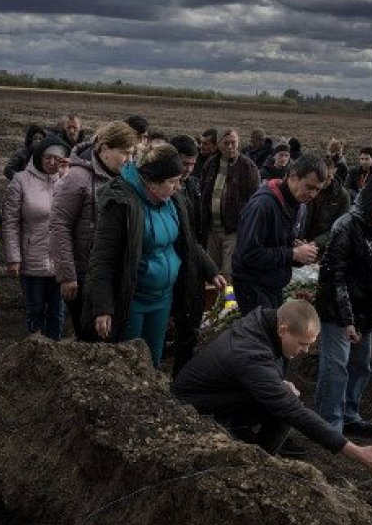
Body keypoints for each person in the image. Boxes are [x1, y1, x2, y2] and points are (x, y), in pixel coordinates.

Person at [171, 300, 372, 474]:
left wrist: (276, 383)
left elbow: (263, 373)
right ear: (283, 330)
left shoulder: (263, 324)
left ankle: (255, 449)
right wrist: (353, 450)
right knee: (287, 406)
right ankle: (259, 464)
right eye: (302, 344)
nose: (306, 351)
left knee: (284, 397)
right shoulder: (250, 353)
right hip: (194, 412)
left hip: (218, 396)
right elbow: (291, 410)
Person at [87, 144, 224, 369]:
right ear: (152, 182)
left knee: (153, 358)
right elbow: (102, 259)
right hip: (132, 300)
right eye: (172, 182)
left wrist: (210, 270)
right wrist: (102, 308)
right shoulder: (121, 203)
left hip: (162, 298)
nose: (178, 187)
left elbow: (187, 242)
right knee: (130, 362)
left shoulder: (174, 202)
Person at [313, 173, 372, 437]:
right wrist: (346, 319)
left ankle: (350, 415)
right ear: (370, 203)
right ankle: (327, 424)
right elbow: (334, 276)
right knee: (336, 366)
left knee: (360, 365)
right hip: (337, 309)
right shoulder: (346, 227)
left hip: (367, 310)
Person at [49, 121, 139, 340]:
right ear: (105, 149)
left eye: (132, 153)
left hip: (109, 273)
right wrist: (67, 275)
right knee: (91, 337)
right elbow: (59, 226)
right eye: (124, 153)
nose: (129, 159)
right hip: (82, 274)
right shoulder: (78, 178)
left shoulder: (123, 179)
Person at [231, 154, 325, 314]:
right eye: (309, 187)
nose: (313, 195)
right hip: (252, 285)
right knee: (263, 336)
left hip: (274, 283)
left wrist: (300, 252)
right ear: (293, 176)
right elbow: (248, 254)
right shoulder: (262, 205)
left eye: (317, 190)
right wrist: (292, 254)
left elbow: (280, 245)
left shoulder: (300, 206)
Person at [2, 137, 70, 340]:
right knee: (35, 308)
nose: (51, 163)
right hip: (32, 258)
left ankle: (54, 351)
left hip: (60, 260)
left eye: (57, 159)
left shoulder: (68, 182)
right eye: (48, 157)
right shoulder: (21, 180)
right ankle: (35, 347)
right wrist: (14, 257)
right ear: (39, 156)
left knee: (57, 311)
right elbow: (11, 222)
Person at [200, 128, 261, 280]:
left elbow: (254, 202)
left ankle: (229, 304)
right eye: (226, 143)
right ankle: (211, 303)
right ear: (219, 144)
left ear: (238, 143)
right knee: (211, 272)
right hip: (212, 229)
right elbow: (203, 193)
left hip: (233, 231)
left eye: (233, 143)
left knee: (229, 274)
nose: (230, 146)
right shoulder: (210, 164)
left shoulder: (248, 167)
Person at [170, 135, 208, 376]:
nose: (187, 170)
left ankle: (180, 379)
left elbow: (196, 232)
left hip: (193, 260)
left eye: (192, 165)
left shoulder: (193, 186)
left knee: (190, 325)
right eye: (184, 163)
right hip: (171, 262)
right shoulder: (165, 190)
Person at [296, 154, 350, 249]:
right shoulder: (305, 188)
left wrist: (316, 243)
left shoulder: (342, 196)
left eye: (328, 177)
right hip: (299, 242)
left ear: (333, 174)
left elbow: (341, 227)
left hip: (324, 246)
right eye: (321, 177)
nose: (324, 182)